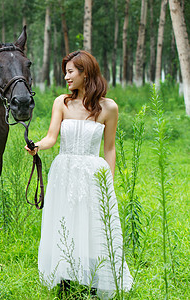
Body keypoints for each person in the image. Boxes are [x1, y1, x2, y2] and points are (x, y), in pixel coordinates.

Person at [25, 50, 133, 299]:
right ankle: (65, 277)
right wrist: (37, 146)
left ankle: (94, 279)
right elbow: (52, 137)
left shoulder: (109, 108)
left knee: (92, 225)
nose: (66, 77)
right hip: (64, 171)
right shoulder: (61, 102)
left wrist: (110, 183)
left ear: (86, 72)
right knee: (64, 221)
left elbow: (109, 148)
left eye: (70, 72)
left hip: (93, 173)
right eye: (66, 72)